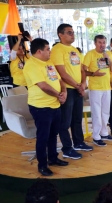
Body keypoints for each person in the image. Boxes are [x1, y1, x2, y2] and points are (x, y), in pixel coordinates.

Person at [23, 38, 68, 176]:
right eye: (48, 49)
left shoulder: (49, 63)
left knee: (53, 135)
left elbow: (59, 80)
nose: (50, 52)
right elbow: (43, 85)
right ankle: (42, 165)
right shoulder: (31, 65)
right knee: (43, 137)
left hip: (54, 105)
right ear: (39, 51)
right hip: (41, 107)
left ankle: (53, 158)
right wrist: (58, 95)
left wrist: (64, 92)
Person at [51, 23, 93, 160]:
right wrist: (77, 85)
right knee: (65, 122)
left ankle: (79, 143)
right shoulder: (57, 50)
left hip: (77, 89)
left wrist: (83, 83)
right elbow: (61, 73)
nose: (72, 34)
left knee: (77, 119)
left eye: (73, 32)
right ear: (60, 34)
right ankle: (67, 149)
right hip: (67, 90)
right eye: (69, 32)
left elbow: (81, 69)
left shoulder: (75, 49)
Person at [83, 35, 112, 147]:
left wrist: (108, 58)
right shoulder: (90, 54)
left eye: (103, 42)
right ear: (95, 43)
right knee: (96, 112)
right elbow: (83, 70)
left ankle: (104, 132)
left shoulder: (107, 55)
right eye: (99, 42)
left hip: (107, 87)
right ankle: (96, 136)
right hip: (95, 88)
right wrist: (93, 74)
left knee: (105, 112)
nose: (102, 45)